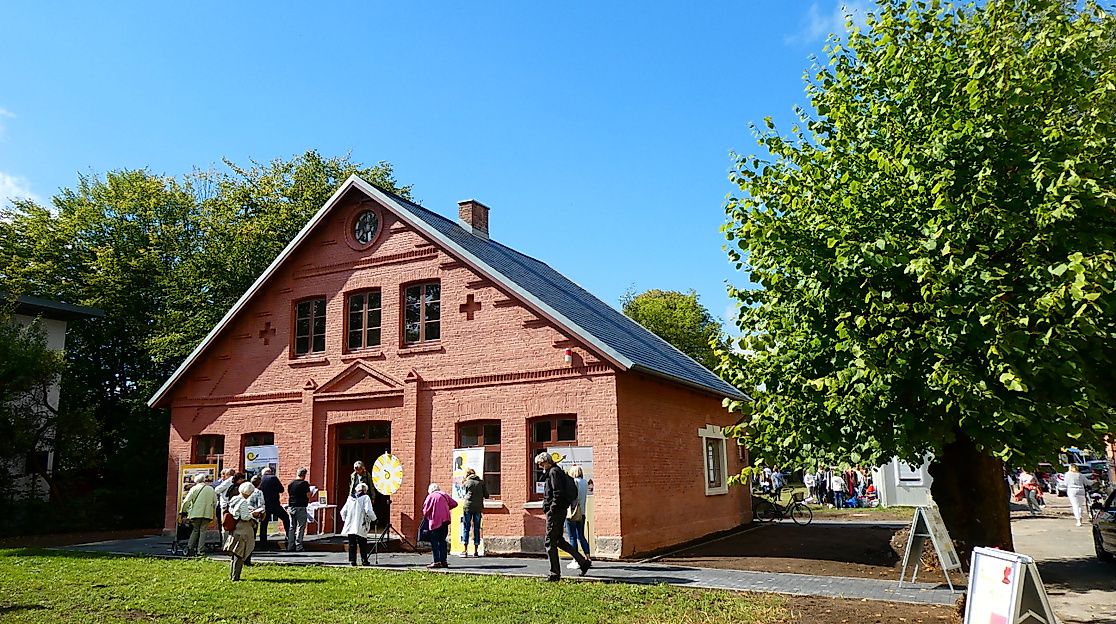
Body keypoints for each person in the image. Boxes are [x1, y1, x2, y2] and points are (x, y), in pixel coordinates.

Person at [535, 452, 590, 581]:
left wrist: (551, 509)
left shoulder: (553, 472)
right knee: (558, 540)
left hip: (555, 513)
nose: (539, 466)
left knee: (549, 542)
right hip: (558, 511)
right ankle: (583, 562)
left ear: (547, 462)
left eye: (540, 463)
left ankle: (554, 573)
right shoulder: (554, 472)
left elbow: (557, 492)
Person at [224, 481, 263, 581]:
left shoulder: (234, 499)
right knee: (240, 553)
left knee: (235, 553)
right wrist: (253, 514)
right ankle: (235, 577)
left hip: (234, 527)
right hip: (242, 529)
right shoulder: (243, 502)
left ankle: (232, 575)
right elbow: (245, 517)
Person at [340, 482, 377, 566]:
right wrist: (374, 519)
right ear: (365, 490)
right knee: (362, 543)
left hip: (351, 525)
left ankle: (352, 561)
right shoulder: (365, 497)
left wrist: (346, 520)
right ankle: (364, 560)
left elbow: (343, 511)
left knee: (352, 543)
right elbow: (368, 510)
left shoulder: (350, 498)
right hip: (361, 523)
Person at [180, 473, 218, 556]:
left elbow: (186, 501)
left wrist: (183, 511)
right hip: (207, 513)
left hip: (195, 512)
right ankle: (200, 550)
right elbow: (215, 502)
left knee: (195, 530)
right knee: (203, 530)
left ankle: (189, 547)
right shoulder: (211, 489)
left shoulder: (194, 488)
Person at [422, 483, 457, 568]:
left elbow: (425, 511)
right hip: (445, 520)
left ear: (430, 490)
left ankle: (436, 561)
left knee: (434, 541)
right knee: (442, 540)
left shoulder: (430, 497)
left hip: (435, 521)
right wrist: (446, 509)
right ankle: (444, 560)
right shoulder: (444, 494)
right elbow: (454, 503)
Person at [564, 464, 591, 570]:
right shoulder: (585, 482)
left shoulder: (573, 482)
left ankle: (575, 559)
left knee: (572, 537)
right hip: (582, 512)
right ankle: (587, 557)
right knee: (581, 536)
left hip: (572, 513)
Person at [459, 468, 489, 557]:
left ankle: (465, 550)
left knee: (466, 527)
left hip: (468, 507)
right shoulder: (481, 483)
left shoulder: (467, 483)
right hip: (478, 508)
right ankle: (476, 551)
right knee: (476, 528)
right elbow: (486, 495)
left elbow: (463, 493)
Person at [258, 467, 290, 549]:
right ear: (270, 472)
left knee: (264, 524)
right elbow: (281, 490)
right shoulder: (273, 478)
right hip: (274, 504)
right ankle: (289, 538)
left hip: (264, 505)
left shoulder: (260, 479)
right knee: (285, 518)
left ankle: (263, 544)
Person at [286, 467, 312, 552]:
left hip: (291, 507)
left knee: (291, 527)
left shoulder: (291, 483)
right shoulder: (304, 484)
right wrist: (311, 493)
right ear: (304, 475)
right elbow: (308, 495)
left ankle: (290, 546)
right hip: (300, 507)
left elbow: (290, 493)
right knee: (301, 527)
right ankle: (299, 546)